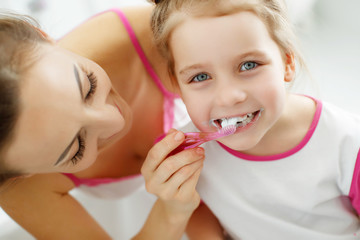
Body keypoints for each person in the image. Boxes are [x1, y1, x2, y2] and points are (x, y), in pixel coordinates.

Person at [149, 0, 360, 239]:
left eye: (248, 65)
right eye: (200, 77)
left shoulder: (348, 146)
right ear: (177, 85)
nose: (229, 97)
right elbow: (198, 205)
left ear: (287, 62)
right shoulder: (186, 153)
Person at [0, 6, 205, 240]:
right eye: (76, 148)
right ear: (23, 174)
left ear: (43, 36)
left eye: (89, 87)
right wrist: (172, 212)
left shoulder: (149, 31)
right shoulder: (21, 192)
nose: (116, 122)